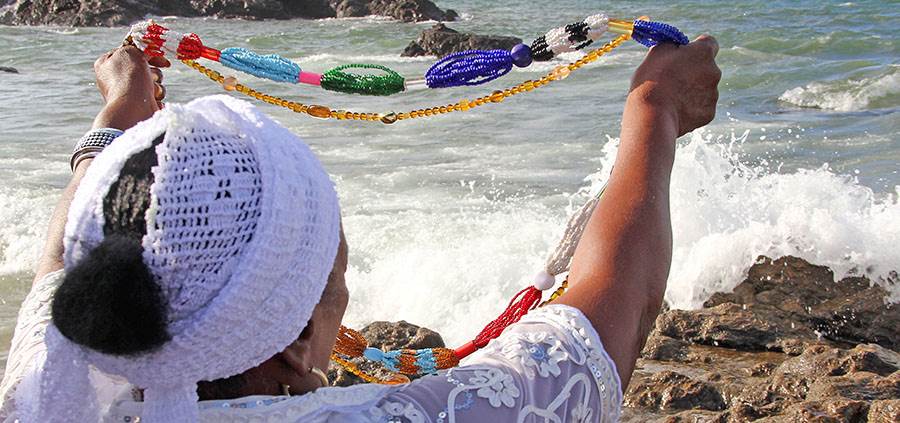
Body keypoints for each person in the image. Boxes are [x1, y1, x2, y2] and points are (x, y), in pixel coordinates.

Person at [0, 31, 719, 422]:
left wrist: (122, 114)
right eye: (336, 280)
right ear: (291, 348)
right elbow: (605, 321)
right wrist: (656, 110)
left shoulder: (48, 380)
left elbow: (60, 260)